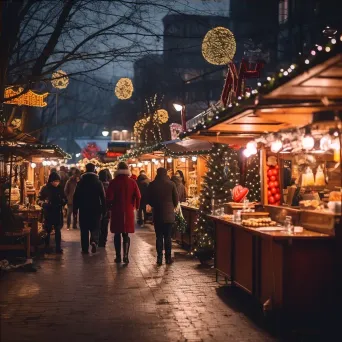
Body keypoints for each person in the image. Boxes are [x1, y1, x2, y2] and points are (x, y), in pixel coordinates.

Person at [106, 162, 141, 264]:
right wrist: (136, 207)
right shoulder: (132, 182)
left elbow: (109, 197)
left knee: (117, 234)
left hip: (117, 211)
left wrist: (109, 207)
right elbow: (138, 196)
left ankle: (118, 256)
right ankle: (125, 256)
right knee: (126, 234)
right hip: (129, 211)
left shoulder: (113, 182)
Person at [147, 168, 179, 266]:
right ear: (166, 174)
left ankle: (159, 258)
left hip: (158, 214)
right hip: (169, 214)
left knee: (159, 237)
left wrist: (155, 205)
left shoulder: (152, 184)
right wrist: (171, 206)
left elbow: (149, 199)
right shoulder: (171, 184)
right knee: (168, 237)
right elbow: (176, 200)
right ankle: (168, 258)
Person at [73, 163, 106, 254]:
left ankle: (84, 249)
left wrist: (75, 209)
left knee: (84, 229)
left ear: (86, 169)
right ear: (94, 169)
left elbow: (76, 196)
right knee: (95, 227)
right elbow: (103, 197)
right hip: (96, 208)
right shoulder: (98, 182)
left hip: (83, 208)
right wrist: (104, 209)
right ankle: (94, 241)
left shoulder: (81, 182)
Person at [37, 172, 67, 254]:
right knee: (47, 230)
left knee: (58, 230)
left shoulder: (60, 188)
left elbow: (65, 198)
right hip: (48, 212)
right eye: (55, 181)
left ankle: (58, 247)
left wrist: (63, 202)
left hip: (57, 211)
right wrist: (43, 204)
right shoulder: (45, 188)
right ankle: (47, 246)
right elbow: (38, 199)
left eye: (58, 181)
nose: (56, 182)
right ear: (51, 181)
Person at [98, 169, 110, 247]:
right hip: (107, 208)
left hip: (98, 207)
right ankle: (103, 241)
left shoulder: (97, 184)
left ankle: (98, 240)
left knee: (98, 224)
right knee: (105, 225)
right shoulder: (109, 185)